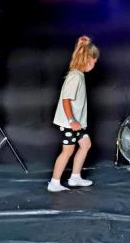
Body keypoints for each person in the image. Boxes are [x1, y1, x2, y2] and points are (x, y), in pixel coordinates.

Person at [47, 36, 99, 192]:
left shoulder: (78, 74)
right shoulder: (75, 77)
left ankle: (75, 177)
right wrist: (72, 120)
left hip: (77, 123)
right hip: (70, 123)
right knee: (68, 151)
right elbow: (65, 100)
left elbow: (76, 58)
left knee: (85, 144)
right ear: (87, 60)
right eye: (94, 61)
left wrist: (79, 46)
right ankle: (54, 183)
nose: (95, 64)